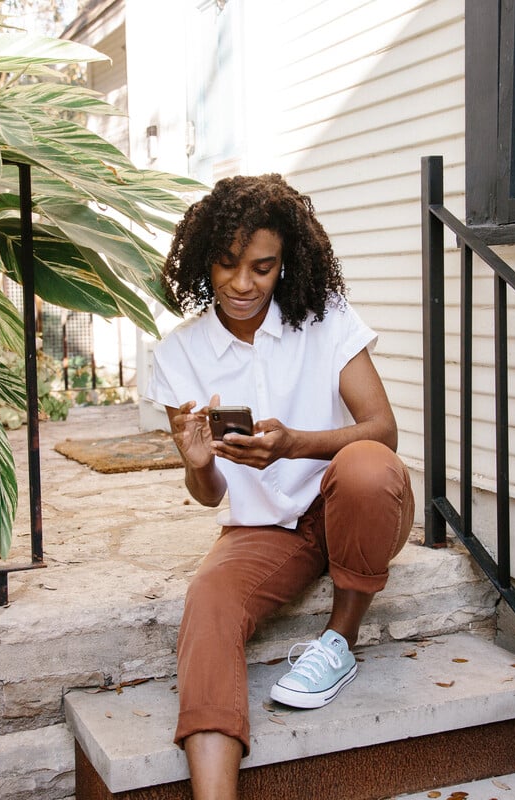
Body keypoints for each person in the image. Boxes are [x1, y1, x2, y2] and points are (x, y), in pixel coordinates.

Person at [144, 174, 414, 799]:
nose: (243, 284)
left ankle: (339, 641)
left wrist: (293, 443)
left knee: (367, 465)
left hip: (356, 504)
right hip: (268, 530)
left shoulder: (325, 320)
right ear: (202, 260)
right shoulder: (179, 355)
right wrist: (195, 461)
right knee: (208, 603)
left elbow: (383, 429)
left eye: (263, 268)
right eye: (227, 264)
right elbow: (210, 495)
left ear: (286, 264)